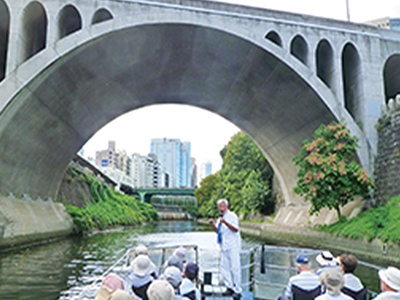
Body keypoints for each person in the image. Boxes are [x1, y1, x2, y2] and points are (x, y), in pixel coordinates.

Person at [208, 198, 242, 298]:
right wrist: (212, 225)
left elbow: (236, 229)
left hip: (233, 245)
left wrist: (225, 222)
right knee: (224, 267)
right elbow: (218, 231)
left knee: (235, 267)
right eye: (219, 206)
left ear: (227, 207)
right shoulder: (220, 218)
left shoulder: (232, 216)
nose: (221, 208)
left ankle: (238, 289)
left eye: (223, 206)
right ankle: (229, 287)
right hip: (224, 245)